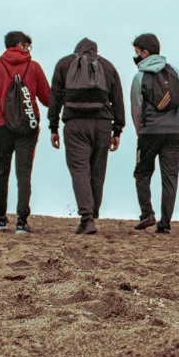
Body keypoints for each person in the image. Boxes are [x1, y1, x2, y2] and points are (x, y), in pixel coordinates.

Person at [0, 31, 50, 234]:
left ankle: (1, 218)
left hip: (2, 126)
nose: (28, 50)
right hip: (28, 127)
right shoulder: (33, 67)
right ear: (20, 45)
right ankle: (22, 222)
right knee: (24, 173)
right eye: (27, 46)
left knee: (2, 171)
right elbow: (46, 98)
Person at [48, 38, 125, 234]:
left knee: (80, 171)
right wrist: (117, 130)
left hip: (75, 125)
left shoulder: (64, 64)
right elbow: (117, 100)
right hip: (102, 125)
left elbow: (55, 97)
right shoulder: (108, 67)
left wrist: (53, 127)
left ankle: (87, 218)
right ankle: (92, 213)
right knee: (98, 171)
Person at [130, 33, 179, 234]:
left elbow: (136, 110)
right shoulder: (175, 73)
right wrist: (178, 126)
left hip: (149, 132)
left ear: (145, 53)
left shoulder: (139, 77)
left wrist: (141, 132)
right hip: (174, 133)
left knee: (142, 173)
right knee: (170, 177)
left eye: (137, 53)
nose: (136, 57)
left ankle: (147, 214)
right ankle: (165, 224)